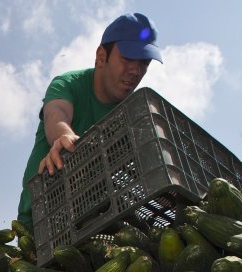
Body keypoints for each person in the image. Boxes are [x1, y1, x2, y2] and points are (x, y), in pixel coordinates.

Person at [17, 12, 163, 232]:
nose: (136, 71)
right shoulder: (69, 84)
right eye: (128, 59)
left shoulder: (134, 115)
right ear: (101, 56)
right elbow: (55, 114)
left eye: (144, 62)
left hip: (92, 218)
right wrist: (63, 136)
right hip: (39, 217)